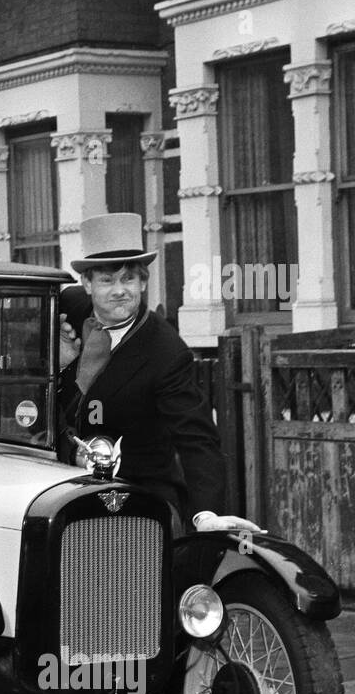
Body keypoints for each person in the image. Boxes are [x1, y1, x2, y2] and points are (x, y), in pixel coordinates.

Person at [57, 212, 261, 536]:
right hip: (58, 487)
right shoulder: (67, 306)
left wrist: (205, 514)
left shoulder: (167, 352)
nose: (119, 290)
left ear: (143, 281)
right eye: (107, 280)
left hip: (135, 499)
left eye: (128, 279)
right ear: (86, 283)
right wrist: (60, 362)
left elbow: (197, 438)